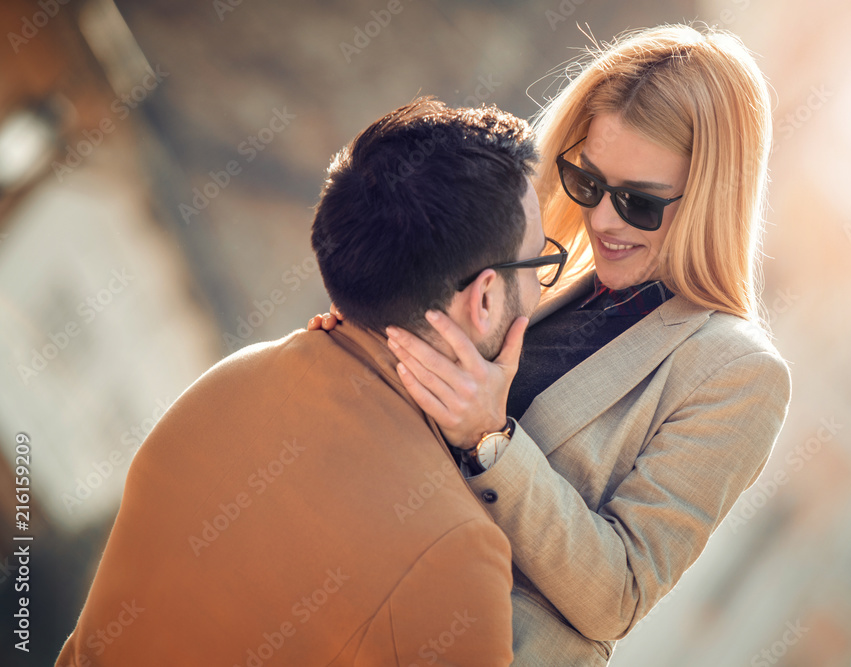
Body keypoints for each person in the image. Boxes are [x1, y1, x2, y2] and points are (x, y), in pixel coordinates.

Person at [308, 24, 792, 664]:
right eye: (589, 183)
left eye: (639, 203)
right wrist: (371, 346)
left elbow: (616, 595)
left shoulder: (738, 372)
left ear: (711, 197)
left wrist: (492, 442)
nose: (603, 220)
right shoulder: (548, 277)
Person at [56, 98, 556, 666]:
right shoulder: (455, 550)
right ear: (486, 298)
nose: (542, 291)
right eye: (539, 264)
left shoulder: (224, 385)